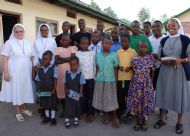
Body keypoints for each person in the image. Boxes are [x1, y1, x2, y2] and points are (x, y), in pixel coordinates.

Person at [154, 18, 190, 134]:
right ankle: (162, 119)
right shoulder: (164, 40)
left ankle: (179, 122)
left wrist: (181, 60)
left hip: (179, 72)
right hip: (165, 71)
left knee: (180, 96)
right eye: (168, 25)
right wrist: (162, 60)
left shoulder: (185, 40)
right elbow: (160, 56)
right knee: (164, 93)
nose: (170, 27)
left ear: (179, 26)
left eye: (173, 25)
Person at [0, 23, 34, 121]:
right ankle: (18, 111)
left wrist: (33, 70)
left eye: (21, 31)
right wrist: (6, 72)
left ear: (24, 32)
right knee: (17, 89)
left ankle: (24, 108)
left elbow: (32, 57)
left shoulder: (28, 43)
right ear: (13, 33)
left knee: (25, 89)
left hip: (26, 70)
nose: (19, 33)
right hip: (15, 70)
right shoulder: (9, 43)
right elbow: (5, 58)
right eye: (17, 31)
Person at [93, 35, 120, 128]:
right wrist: (96, 77)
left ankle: (115, 117)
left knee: (112, 99)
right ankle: (106, 115)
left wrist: (116, 81)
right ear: (102, 44)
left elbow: (116, 69)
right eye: (106, 43)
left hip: (110, 80)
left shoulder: (114, 55)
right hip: (100, 80)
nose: (107, 45)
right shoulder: (97, 56)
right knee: (103, 98)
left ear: (111, 45)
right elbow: (96, 68)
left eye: (109, 44)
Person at [127, 41, 155, 131]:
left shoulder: (150, 58)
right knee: (137, 101)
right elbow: (134, 71)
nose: (144, 48)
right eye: (142, 47)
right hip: (136, 83)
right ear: (138, 48)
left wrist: (151, 83)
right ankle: (138, 121)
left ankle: (144, 120)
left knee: (145, 101)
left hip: (146, 83)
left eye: (145, 47)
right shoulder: (134, 59)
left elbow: (152, 72)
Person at [54, 33, 78, 118]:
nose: (65, 41)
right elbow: (56, 61)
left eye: (66, 40)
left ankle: (73, 111)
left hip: (71, 75)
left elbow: (72, 59)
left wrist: (61, 58)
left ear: (70, 40)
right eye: (63, 40)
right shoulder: (57, 49)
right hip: (60, 75)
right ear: (60, 41)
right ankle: (64, 111)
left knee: (72, 92)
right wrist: (67, 59)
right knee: (62, 94)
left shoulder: (73, 48)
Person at [116, 35, 137, 122]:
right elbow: (115, 64)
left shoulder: (133, 52)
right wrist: (118, 67)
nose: (124, 43)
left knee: (129, 97)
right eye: (122, 41)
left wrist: (131, 68)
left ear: (129, 42)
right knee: (120, 97)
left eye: (126, 41)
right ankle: (121, 113)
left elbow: (136, 64)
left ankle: (129, 114)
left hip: (130, 79)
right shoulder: (118, 52)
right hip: (121, 79)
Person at [34, 51, 57, 126]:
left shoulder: (54, 68)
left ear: (50, 60)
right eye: (43, 59)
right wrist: (38, 89)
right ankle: (47, 117)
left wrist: (54, 89)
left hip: (51, 90)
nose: (44, 60)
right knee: (45, 104)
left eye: (46, 59)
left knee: (52, 105)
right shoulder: (40, 69)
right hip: (43, 90)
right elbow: (37, 80)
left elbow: (55, 79)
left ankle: (53, 118)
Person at [76, 37, 96, 123]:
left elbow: (94, 65)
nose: (84, 45)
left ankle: (90, 113)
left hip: (90, 78)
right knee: (82, 97)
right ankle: (83, 112)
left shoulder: (92, 53)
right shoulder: (77, 53)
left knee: (90, 97)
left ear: (89, 44)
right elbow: (76, 66)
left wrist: (94, 76)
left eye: (86, 43)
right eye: (82, 43)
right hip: (81, 79)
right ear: (79, 44)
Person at [64, 56, 86, 128]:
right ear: (69, 65)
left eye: (75, 65)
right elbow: (65, 83)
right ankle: (67, 119)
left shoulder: (80, 74)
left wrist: (81, 93)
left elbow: (81, 85)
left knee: (76, 106)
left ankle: (76, 118)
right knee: (68, 106)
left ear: (78, 65)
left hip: (76, 93)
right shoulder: (67, 73)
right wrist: (65, 90)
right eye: (72, 65)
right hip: (69, 93)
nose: (73, 66)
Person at [149, 20, 166, 88]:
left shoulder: (166, 38)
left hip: (163, 66)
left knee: (161, 86)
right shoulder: (149, 39)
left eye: (157, 26)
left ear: (162, 27)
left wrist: (159, 56)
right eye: (153, 27)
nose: (155, 28)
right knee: (151, 86)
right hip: (150, 67)